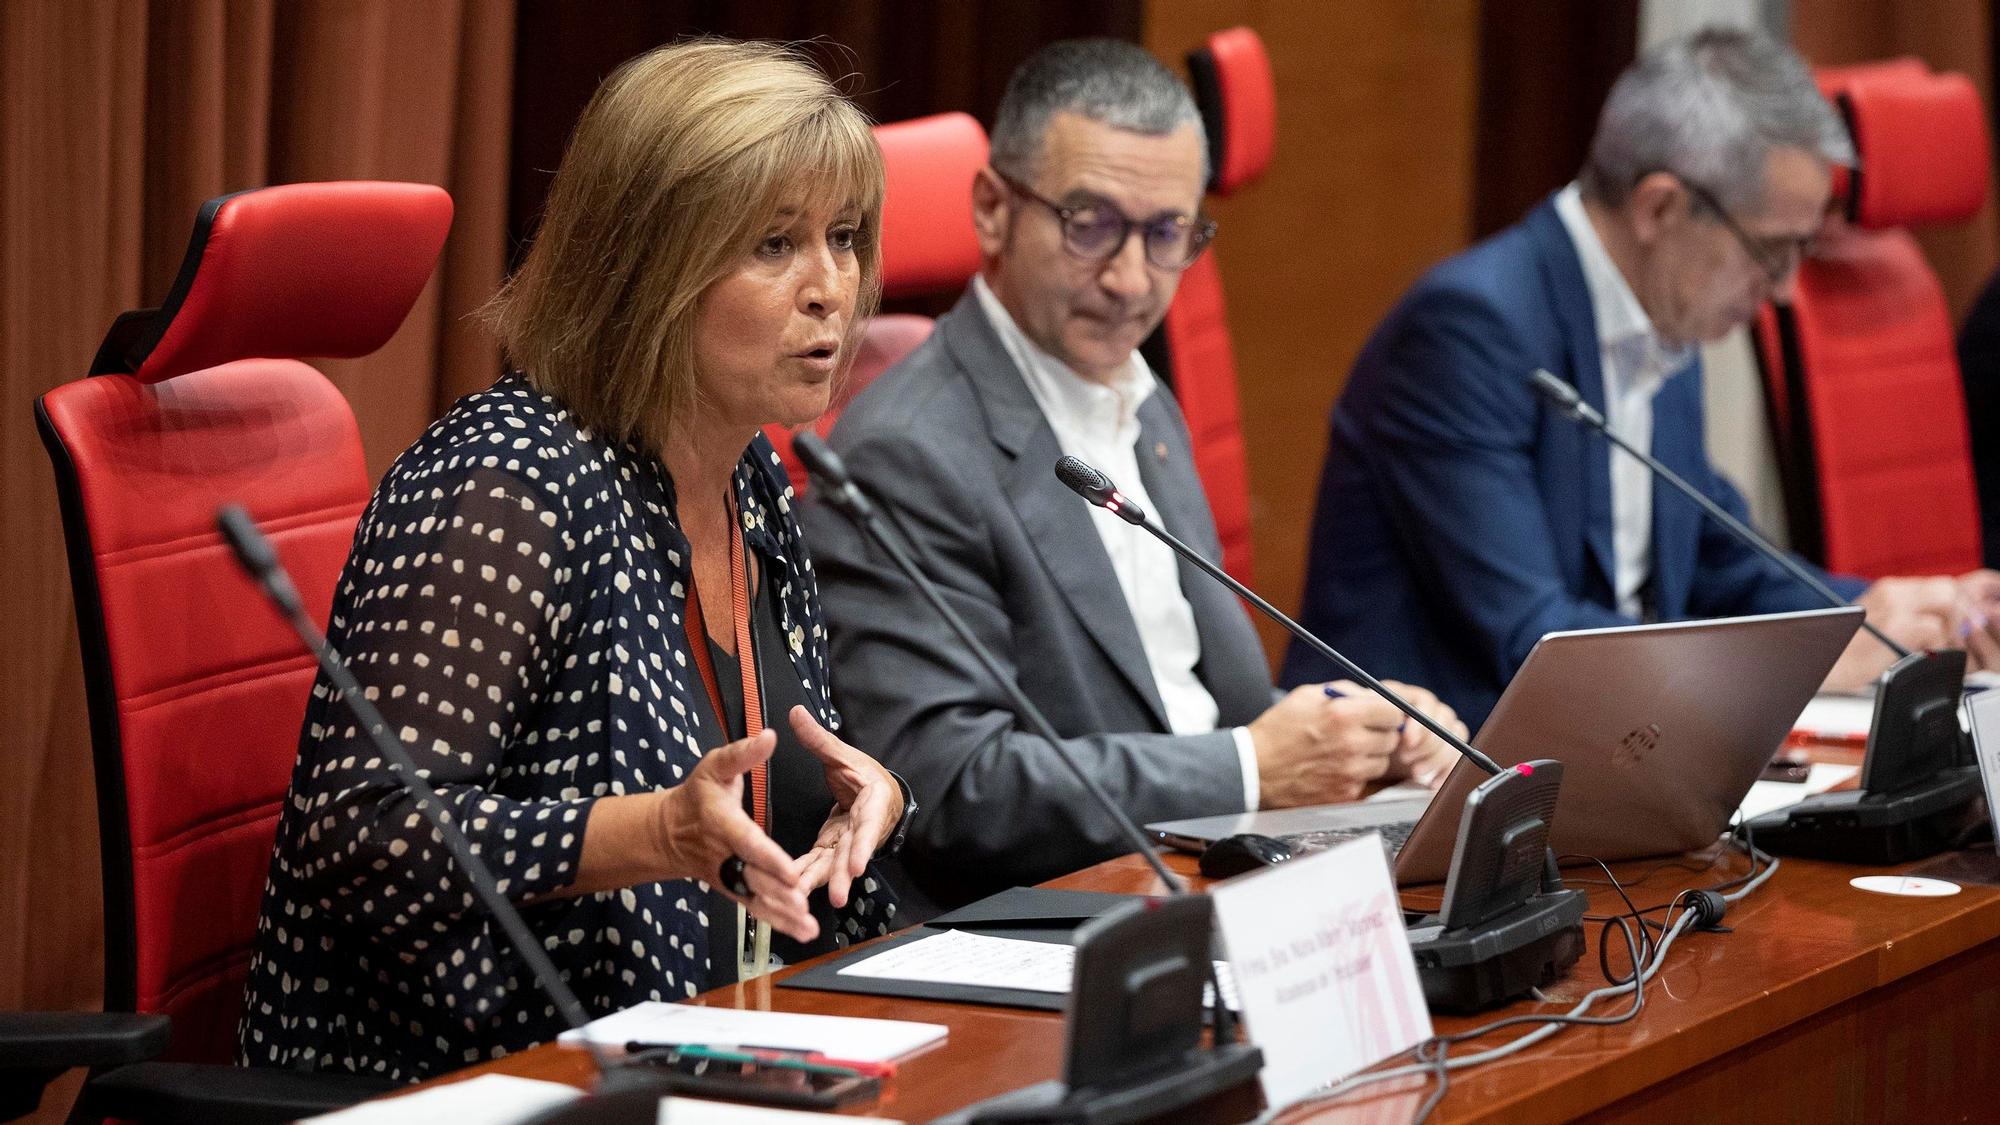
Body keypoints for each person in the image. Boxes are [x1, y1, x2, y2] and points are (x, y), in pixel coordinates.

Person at [239, 39, 912, 1081]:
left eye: (843, 237)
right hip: (463, 1076)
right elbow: (362, 838)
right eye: (773, 246)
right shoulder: (502, 485)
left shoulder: (755, 484)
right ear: (648, 265)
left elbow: (733, 806)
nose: (830, 287)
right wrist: (653, 834)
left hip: (706, 1050)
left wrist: (858, 809)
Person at [801, 39, 1464, 911]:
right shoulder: (910, 452)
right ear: (994, 209)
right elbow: (948, 783)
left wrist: (1361, 734)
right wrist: (1254, 766)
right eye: (1091, 226)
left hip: (1214, 877)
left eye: (1167, 234)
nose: (1131, 280)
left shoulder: (1143, 402)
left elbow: (1201, 704)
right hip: (1061, 924)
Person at [1282, 28, 2000, 730]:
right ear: (1659, 207)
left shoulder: (1663, 317)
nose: (1783, 291)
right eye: (1771, 250)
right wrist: (1815, 656)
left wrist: (1887, 610)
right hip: (1418, 784)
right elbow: (1534, 638)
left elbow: (1717, 558)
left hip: (1594, 760)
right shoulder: (1470, 329)